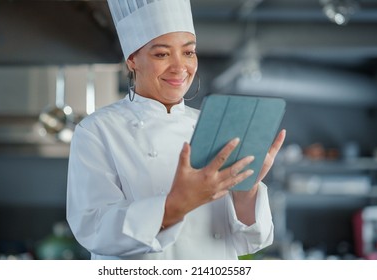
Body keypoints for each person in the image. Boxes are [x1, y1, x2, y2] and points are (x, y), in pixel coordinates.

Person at [66, 0, 286, 260]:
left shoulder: (213, 124)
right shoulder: (98, 130)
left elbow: (251, 242)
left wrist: (246, 188)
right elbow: (94, 229)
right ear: (133, 59)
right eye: (162, 54)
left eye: (188, 52)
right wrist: (175, 206)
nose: (180, 67)